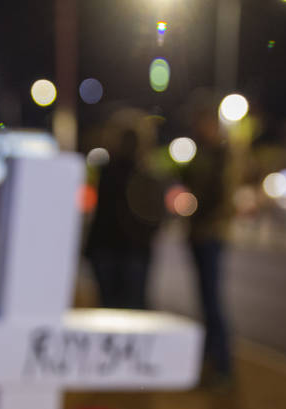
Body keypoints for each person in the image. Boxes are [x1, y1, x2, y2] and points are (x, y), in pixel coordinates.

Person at [85, 126, 164, 309]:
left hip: (111, 248)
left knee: (109, 305)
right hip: (132, 249)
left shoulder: (108, 172)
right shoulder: (147, 173)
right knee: (132, 307)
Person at [182, 106, 233, 382]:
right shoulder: (200, 153)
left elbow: (221, 196)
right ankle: (209, 360)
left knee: (212, 302)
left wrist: (200, 210)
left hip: (210, 234)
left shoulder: (222, 155)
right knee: (205, 301)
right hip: (198, 234)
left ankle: (222, 365)